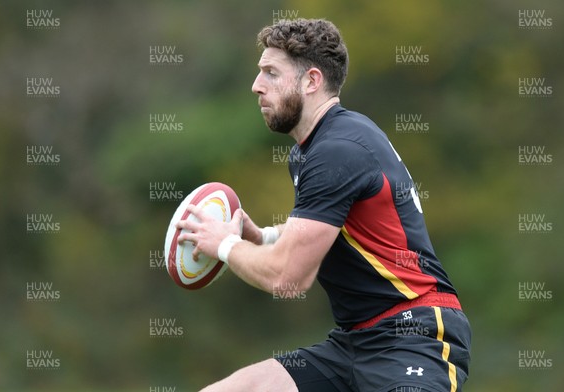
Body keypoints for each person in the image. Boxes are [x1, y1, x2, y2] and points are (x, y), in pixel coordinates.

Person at [177, 18, 471, 392]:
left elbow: (289, 278)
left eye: (270, 73)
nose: (256, 86)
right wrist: (265, 237)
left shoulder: (337, 151)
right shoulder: (312, 150)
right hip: (353, 344)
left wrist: (223, 244)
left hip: (414, 337)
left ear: (311, 81)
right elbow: (328, 229)